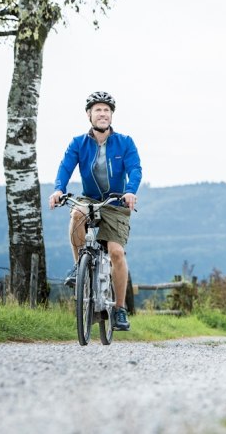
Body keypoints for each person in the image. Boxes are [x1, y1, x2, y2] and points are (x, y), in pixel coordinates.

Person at [48, 91, 141, 331]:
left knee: (117, 253)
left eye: (107, 110)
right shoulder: (79, 143)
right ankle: (79, 266)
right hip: (89, 199)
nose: (103, 114)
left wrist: (130, 191)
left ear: (111, 115)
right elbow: (65, 167)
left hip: (117, 203)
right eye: (98, 110)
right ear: (89, 115)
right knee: (76, 213)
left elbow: (135, 169)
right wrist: (59, 189)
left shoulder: (125, 142)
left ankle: (119, 309)